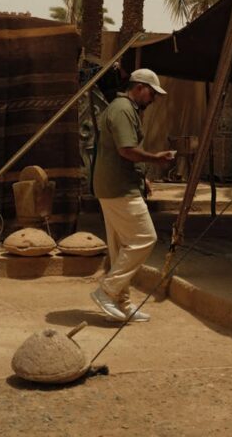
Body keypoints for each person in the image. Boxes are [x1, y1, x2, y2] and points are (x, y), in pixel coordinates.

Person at [91, 68, 175, 323]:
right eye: (152, 94)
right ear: (139, 88)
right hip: (118, 188)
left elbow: (125, 153)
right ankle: (106, 290)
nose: (153, 99)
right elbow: (127, 150)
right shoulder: (123, 110)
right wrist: (156, 159)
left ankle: (122, 303)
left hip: (115, 185)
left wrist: (143, 177)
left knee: (120, 247)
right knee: (144, 238)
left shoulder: (126, 109)